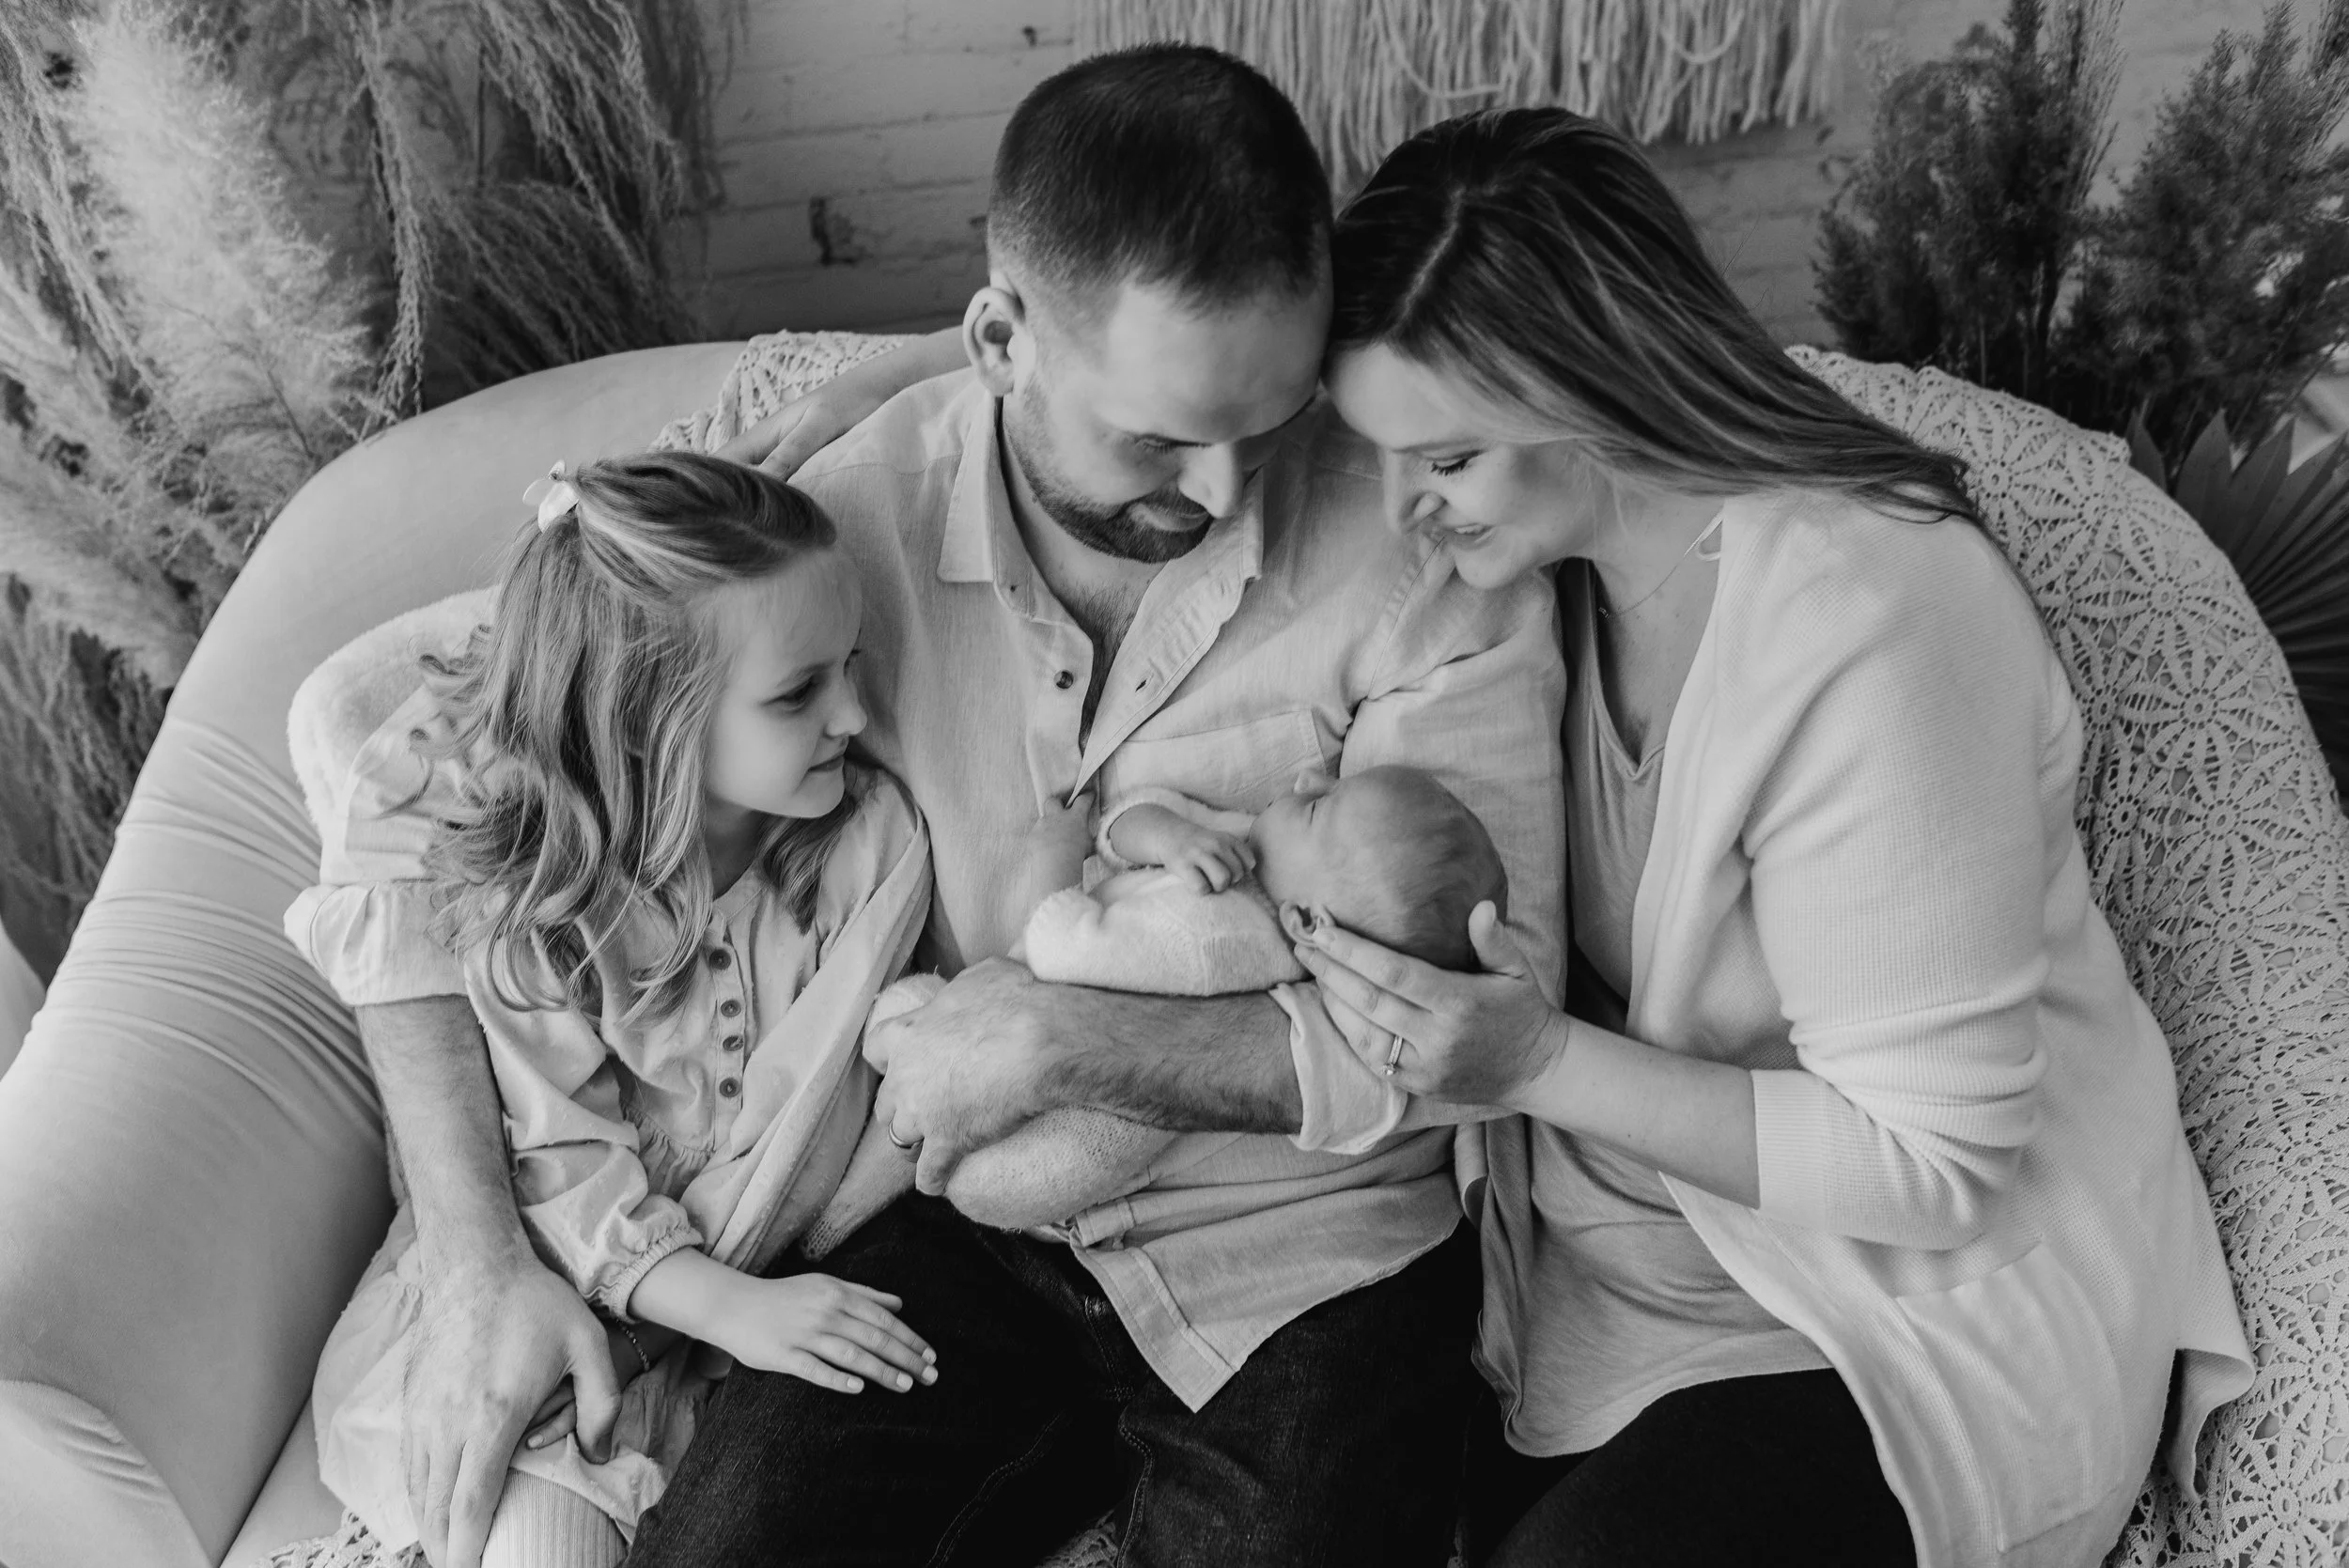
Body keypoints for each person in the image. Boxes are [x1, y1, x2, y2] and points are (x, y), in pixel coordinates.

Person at [865, 109, 2258, 1568]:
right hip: (1630, 1261)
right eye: (1382, 451)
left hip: (1909, 1305)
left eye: (1447, 458)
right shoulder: (1561, 562)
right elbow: (1134, 342)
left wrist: (1534, 1062)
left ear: (1592, 386)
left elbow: (1931, 1167)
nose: (1399, 510)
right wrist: (911, 383)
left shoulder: (1875, 626)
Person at [323, 47, 1563, 1568]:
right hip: (964, 1219)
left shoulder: (1429, 551)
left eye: (1273, 415)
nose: (1229, 488)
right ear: (998, 339)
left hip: (1309, 1248)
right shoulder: (839, 519)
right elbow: (416, 784)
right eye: (1160, 435)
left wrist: (1065, 1039)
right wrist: (474, 1256)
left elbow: (1492, 1012)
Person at [285, 453, 941, 1567]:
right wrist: (710, 1304)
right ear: (643, 721)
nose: (855, 713)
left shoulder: (868, 843)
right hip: (555, 1292)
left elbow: (814, 1122)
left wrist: (730, 1308)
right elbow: (551, 1155)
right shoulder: (544, 896)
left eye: (852, 664)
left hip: (746, 1313)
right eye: (798, 692)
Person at [1023, 766, 1510, 994]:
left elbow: (1051, 954)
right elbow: (1122, 824)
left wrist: (1057, 853)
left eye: (1317, 807)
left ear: (1307, 922)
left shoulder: (1210, 945)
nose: (1307, 780)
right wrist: (1168, 836)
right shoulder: (1263, 855)